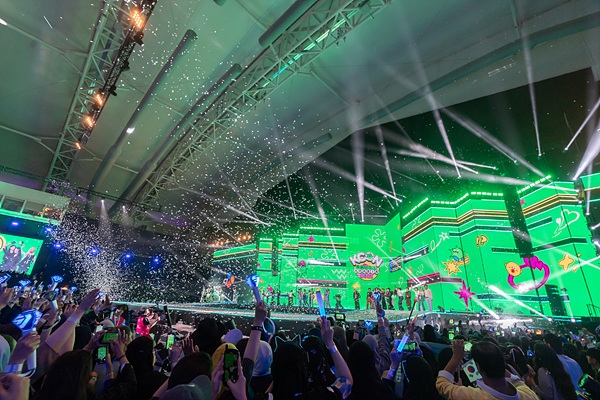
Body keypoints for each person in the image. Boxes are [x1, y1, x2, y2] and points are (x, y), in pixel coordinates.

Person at [436, 339, 538, 400]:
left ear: (478, 367)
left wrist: (456, 356)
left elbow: (442, 384)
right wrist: (493, 357)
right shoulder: (529, 395)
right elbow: (517, 381)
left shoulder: (473, 396)